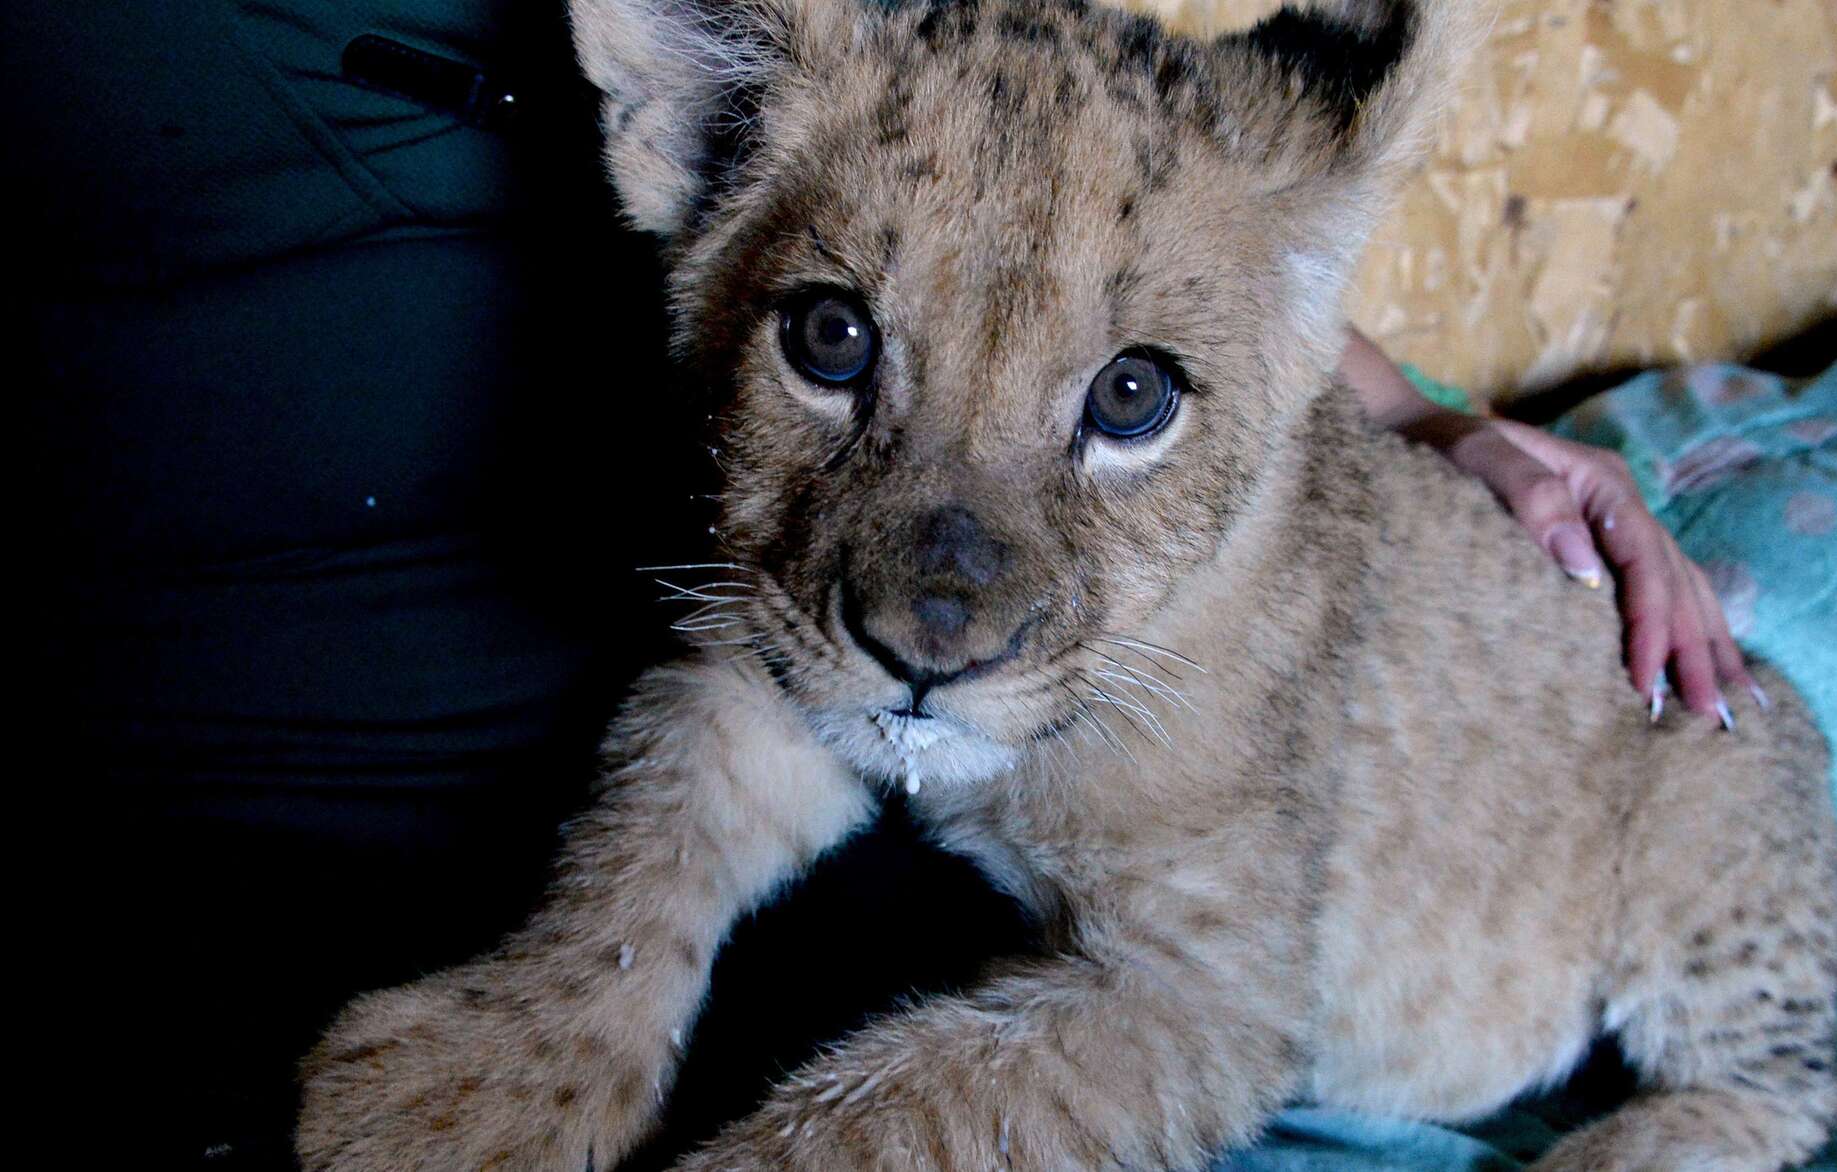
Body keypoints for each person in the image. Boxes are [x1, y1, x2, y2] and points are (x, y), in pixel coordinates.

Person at [17, 2, 1747, 1166]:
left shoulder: (1221, 514)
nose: (947, 612)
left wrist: (1456, 423)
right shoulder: (812, 102)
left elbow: (1115, 241)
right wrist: (574, 995)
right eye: (834, 338)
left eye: (1130, 404)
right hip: (178, 830)